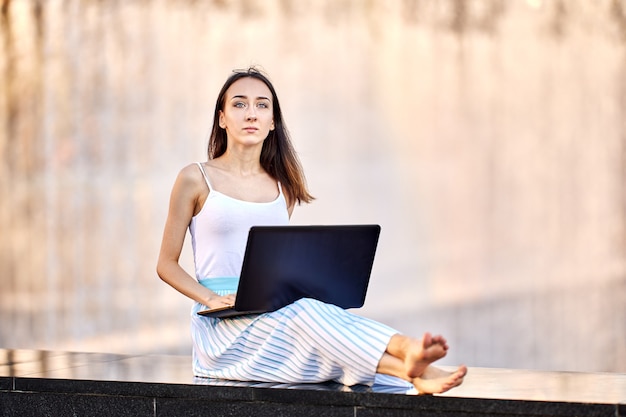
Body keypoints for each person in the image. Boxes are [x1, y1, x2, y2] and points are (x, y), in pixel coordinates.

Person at [156, 67, 467, 394]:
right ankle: (405, 350)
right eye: (239, 104)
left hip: (274, 319)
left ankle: (408, 371)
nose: (251, 114)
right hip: (221, 330)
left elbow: (275, 267)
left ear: (273, 122)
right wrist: (211, 299)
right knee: (306, 314)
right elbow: (165, 264)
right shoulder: (195, 178)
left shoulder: (282, 188)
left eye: (262, 106)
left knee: (314, 317)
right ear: (222, 118)